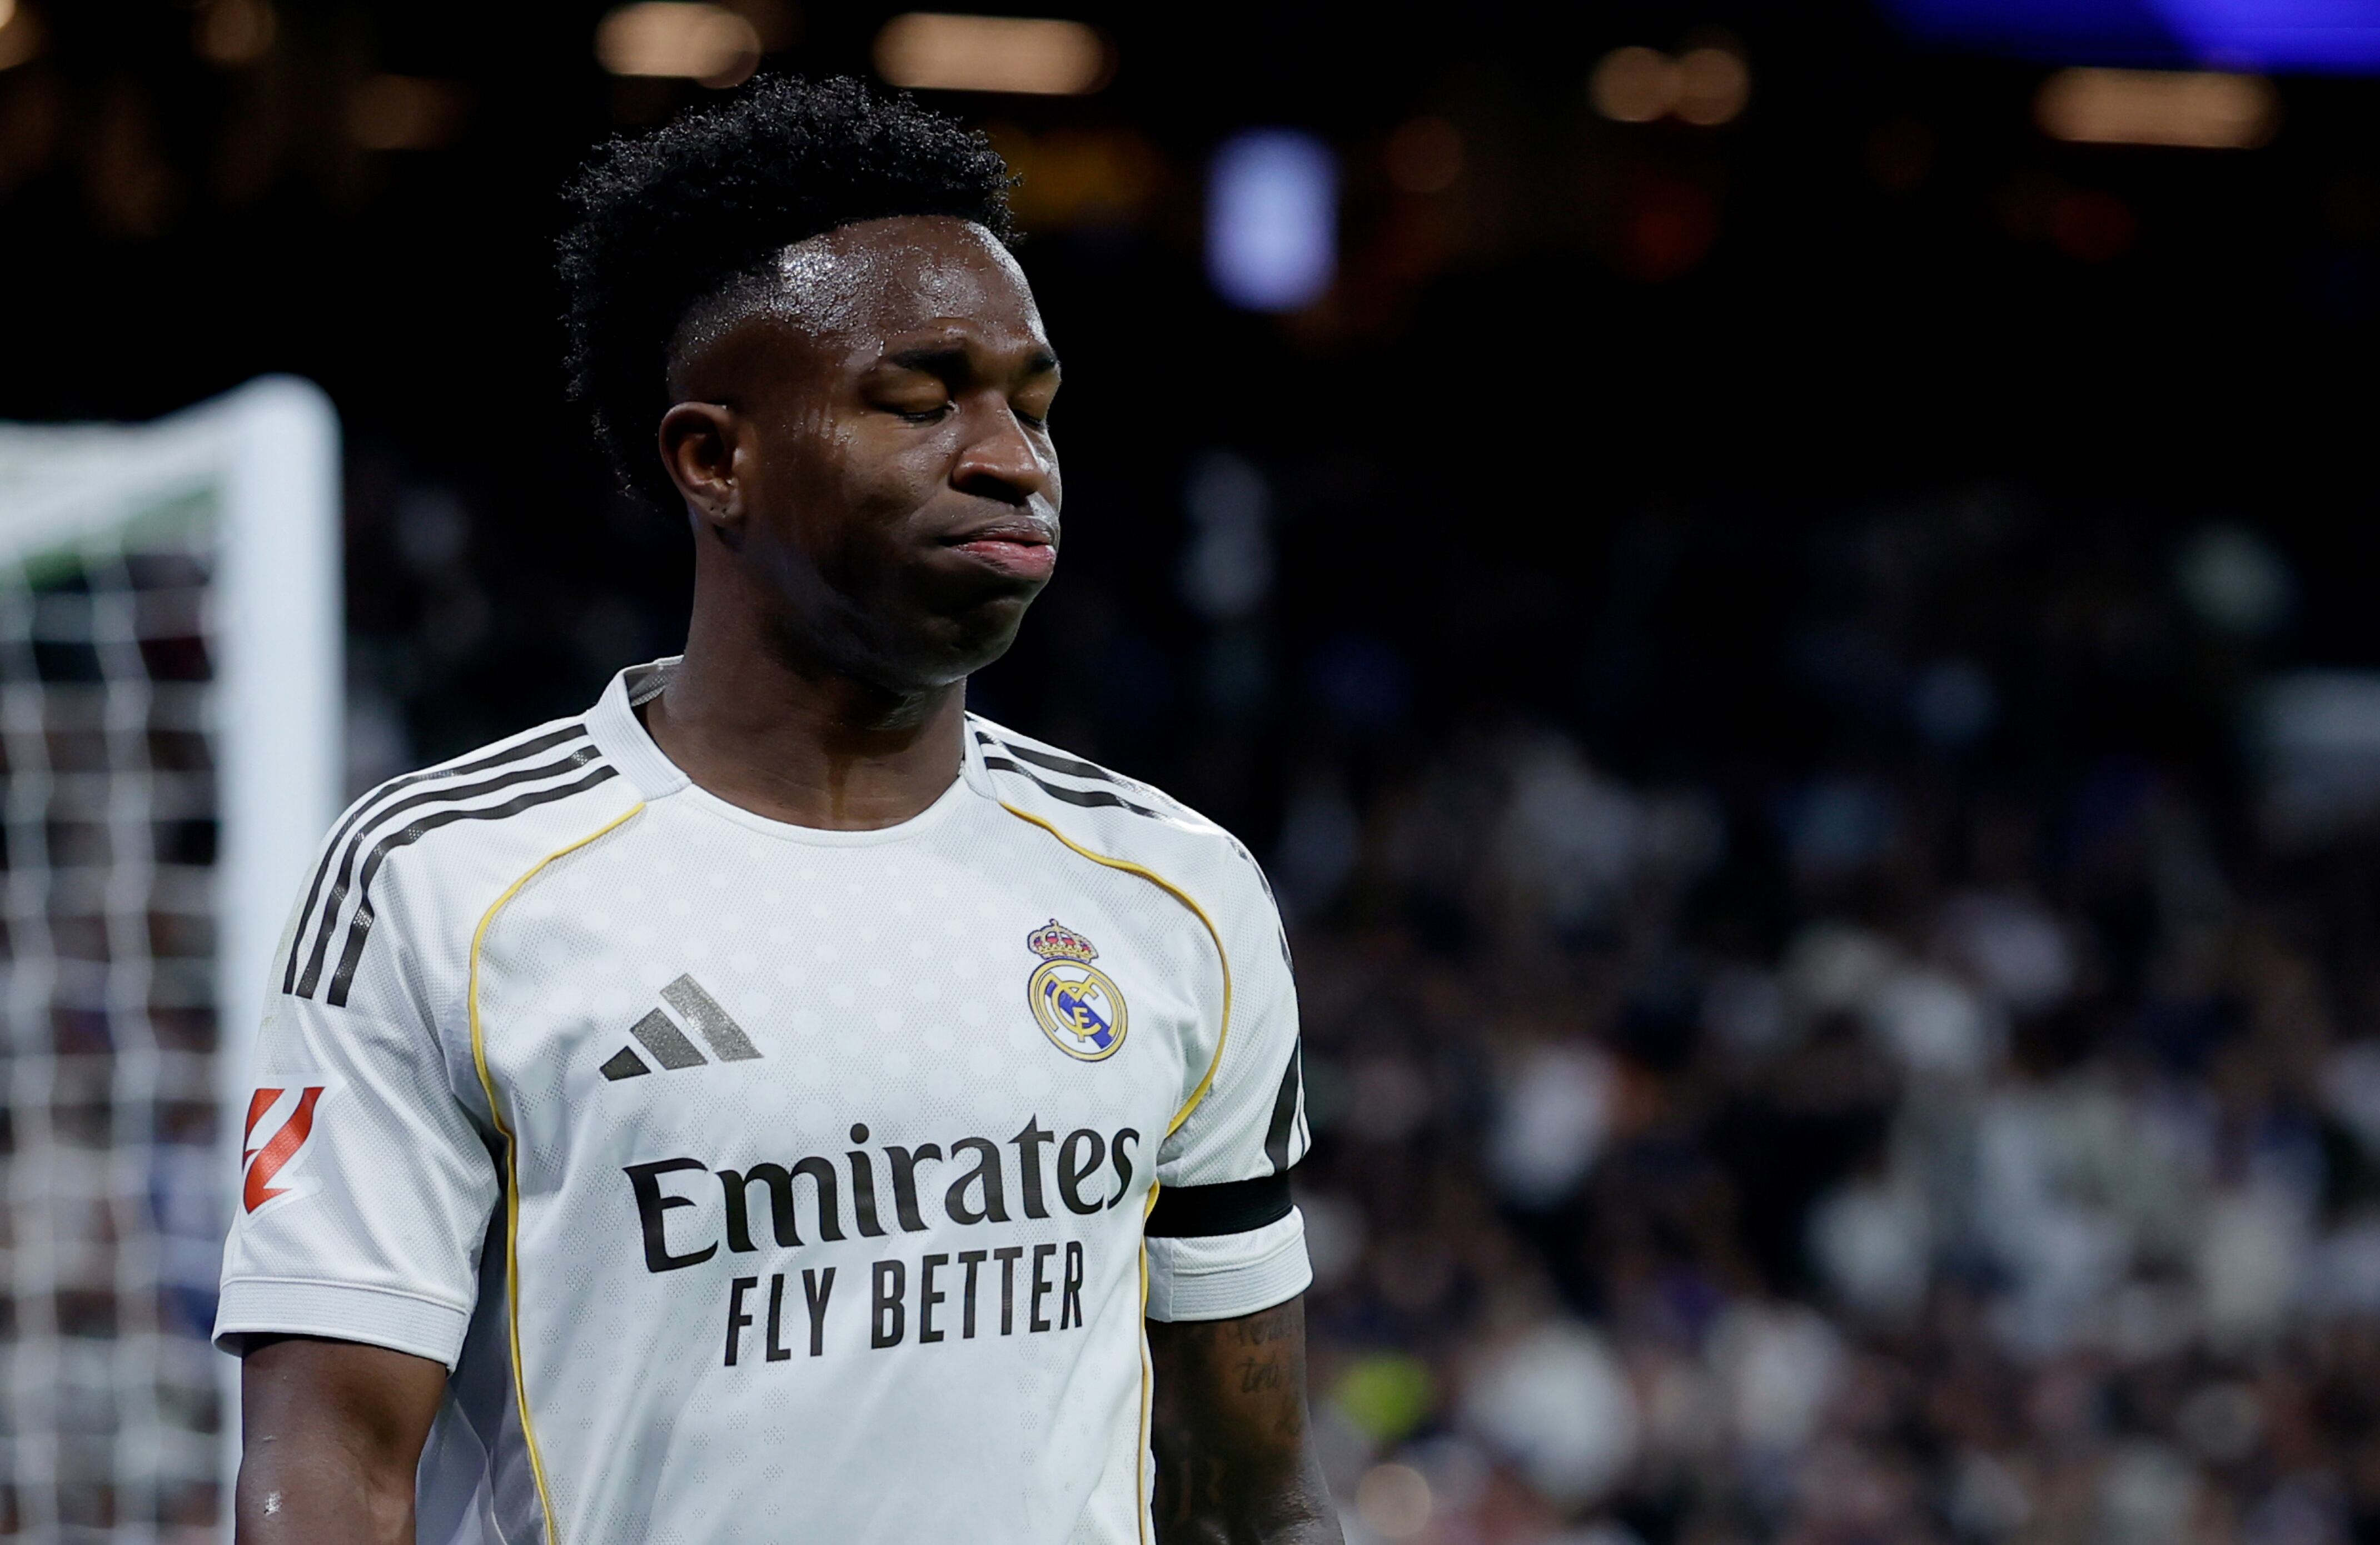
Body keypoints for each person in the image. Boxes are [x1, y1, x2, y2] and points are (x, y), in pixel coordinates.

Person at [218, 76, 1338, 1545]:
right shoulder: (445, 879)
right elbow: (332, 1480)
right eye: (922, 398)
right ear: (713, 457)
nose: (1012, 456)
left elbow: (1246, 1497)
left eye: (1032, 403)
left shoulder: (1176, 887)